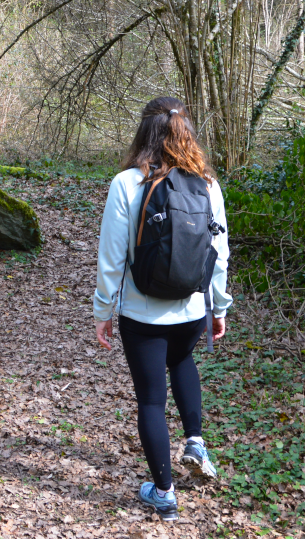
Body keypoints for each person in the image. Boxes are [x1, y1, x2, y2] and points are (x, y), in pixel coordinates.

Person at [92, 96, 231, 522]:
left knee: (151, 402)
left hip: (143, 314)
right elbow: (219, 253)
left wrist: (103, 311)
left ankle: (165, 494)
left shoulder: (126, 184)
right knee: (183, 360)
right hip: (191, 310)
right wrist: (219, 307)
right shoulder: (207, 183)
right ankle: (194, 441)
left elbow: (112, 257)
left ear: (143, 132)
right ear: (185, 131)